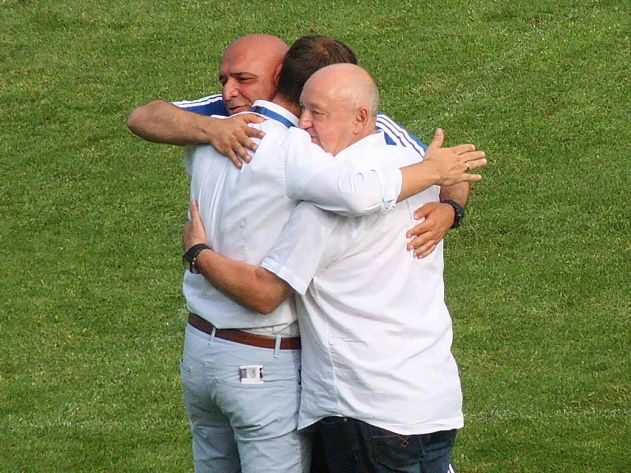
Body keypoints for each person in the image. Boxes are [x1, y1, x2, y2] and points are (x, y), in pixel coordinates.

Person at [182, 63, 478, 473]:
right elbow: (455, 174)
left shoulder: (327, 207)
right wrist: (451, 208)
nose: (301, 124)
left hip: (364, 411)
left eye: (316, 113)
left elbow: (264, 293)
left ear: (359, 118)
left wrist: (198, 252)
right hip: (434, 402)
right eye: (302, 109)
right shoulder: (415, 165)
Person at [127, 34, 469, 257]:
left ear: (280, 77)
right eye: (224, 80)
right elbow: (144, 117)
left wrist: (450, 210)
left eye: (244, 79)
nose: (229, 92)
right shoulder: (229, 112)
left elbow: (452, 167)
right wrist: (211, 130)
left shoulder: (363, 127)